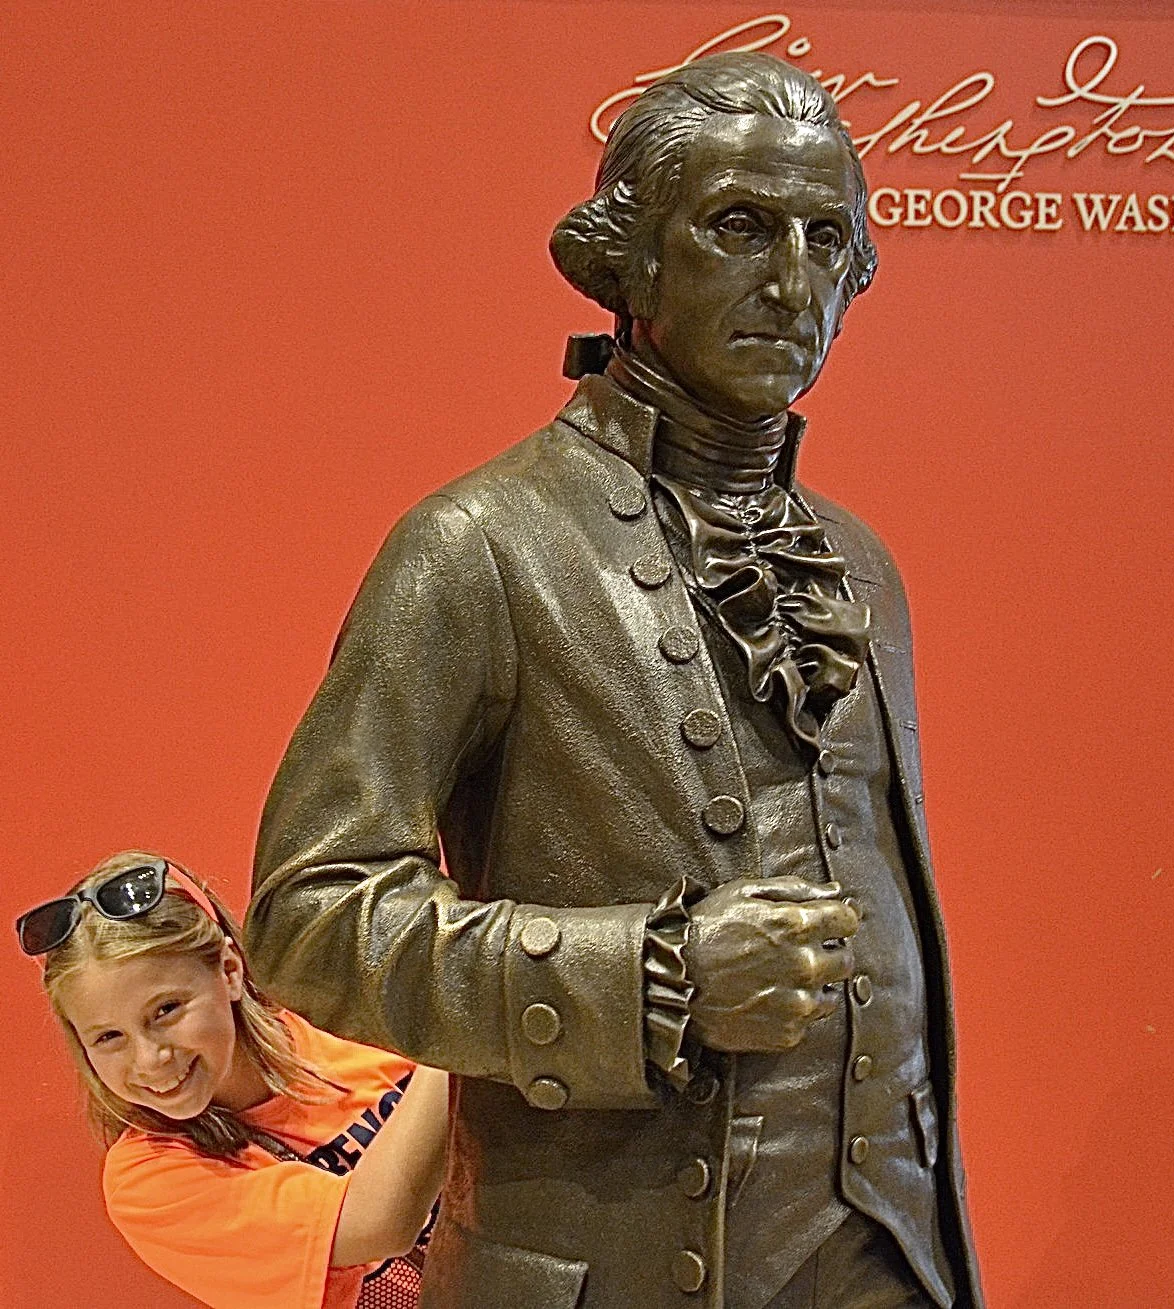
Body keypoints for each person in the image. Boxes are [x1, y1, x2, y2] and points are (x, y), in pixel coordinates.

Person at [247, 52, 983, 1308]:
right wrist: (651, 975)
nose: (790, 280)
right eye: (739, 227)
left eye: (826, 240)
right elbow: (307, 919)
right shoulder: (478, 545)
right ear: (627, 257)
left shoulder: (861, 563)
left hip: (889, 1252)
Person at [21, 851, 449, 1309]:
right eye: (109, 1036)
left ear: (229, 971)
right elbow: (380, 1224)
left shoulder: (337, 1018)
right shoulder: (148, 1183)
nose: (150, 1059)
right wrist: (463, 1039)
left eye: (166, 1010)